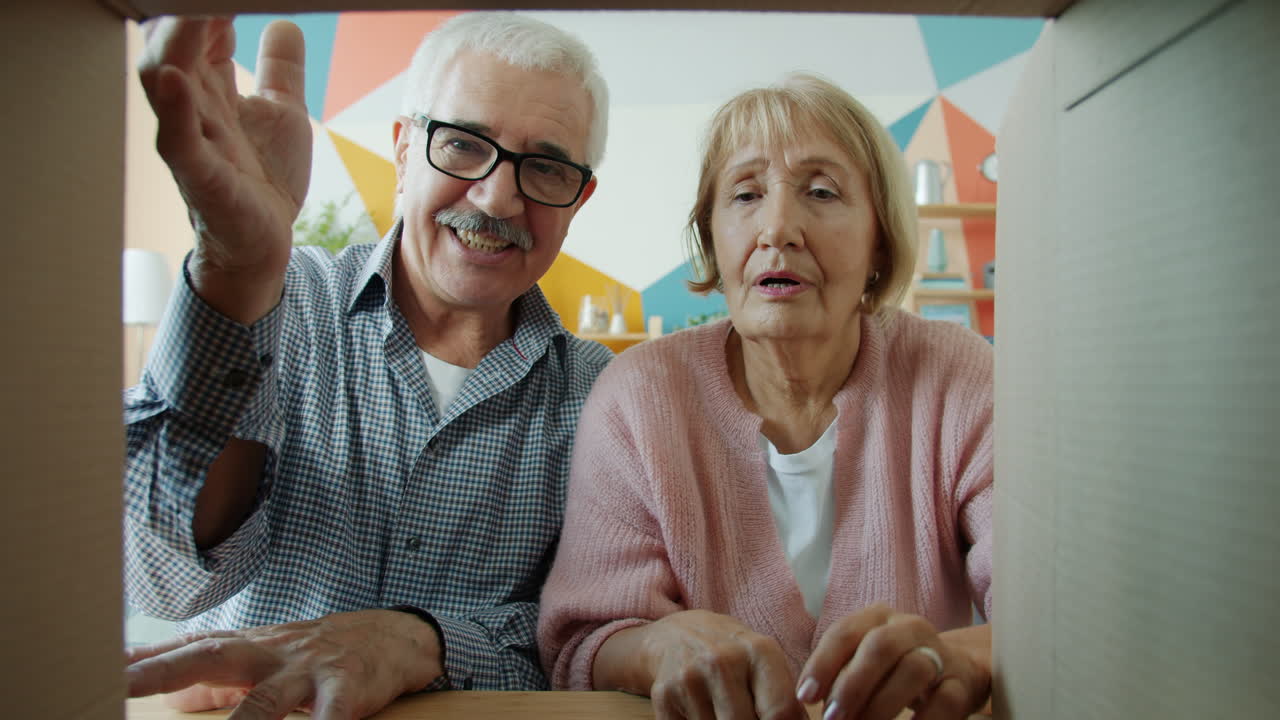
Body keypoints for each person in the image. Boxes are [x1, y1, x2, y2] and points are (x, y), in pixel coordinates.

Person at [123, 12, 611, 718]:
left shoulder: (599, 394)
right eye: (465, 145)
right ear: (404, 150)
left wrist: (415, 642)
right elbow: (163, 580)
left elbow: (579, 642)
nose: (497, 197)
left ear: (579, 199)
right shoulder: (271, 305)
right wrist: (235, 271)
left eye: (545, 167)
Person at [538, 73, 994, 720]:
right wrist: (659, 647)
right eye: (745, 194)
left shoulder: (958, 376)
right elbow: (584, 642)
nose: (777, 227)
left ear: (879, 242)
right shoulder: (638, 396)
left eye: (821, 192)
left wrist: (963, 658)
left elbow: (1060, 610)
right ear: (712, 240)